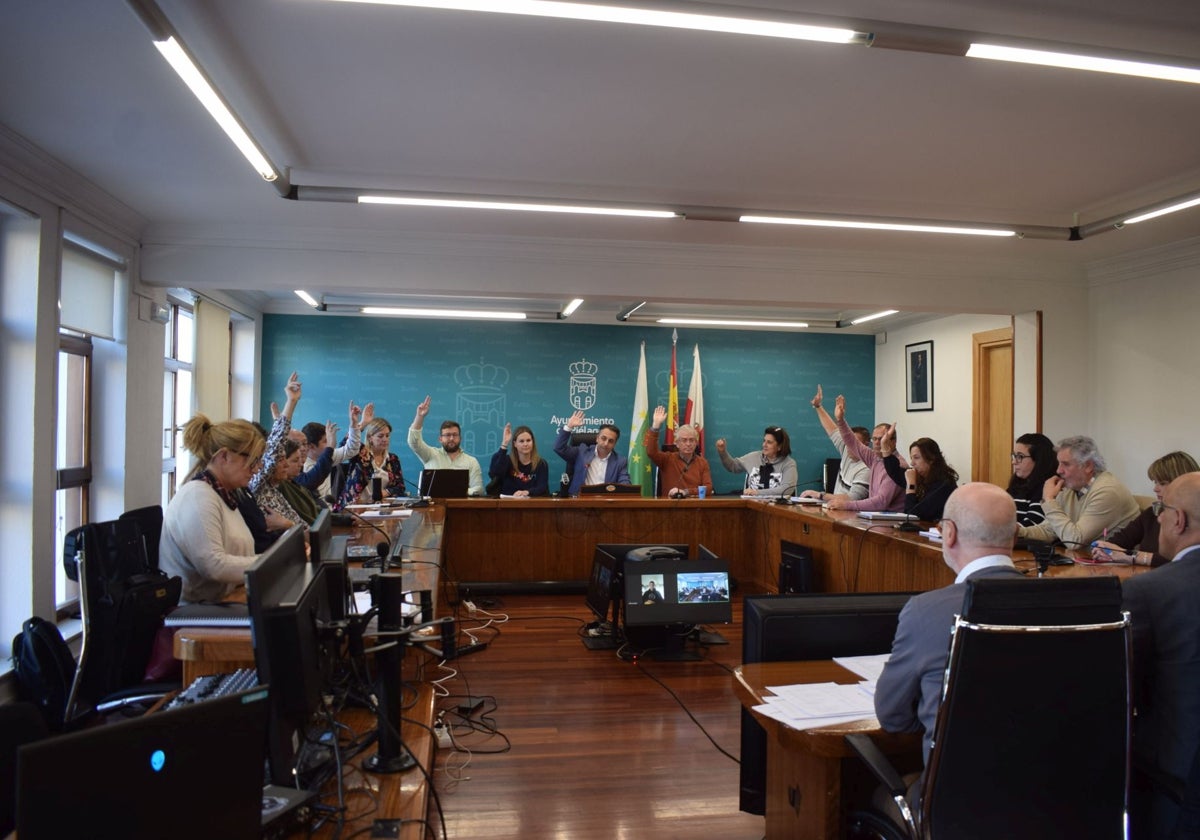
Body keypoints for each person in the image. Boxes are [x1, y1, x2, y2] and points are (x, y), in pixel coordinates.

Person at [874, 483, 1026, 765]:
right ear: (1014, 536)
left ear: (949, 532)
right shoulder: (1065, 607)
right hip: (1059, 798)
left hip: (956, 799)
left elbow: (892, 716)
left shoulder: (926, 611)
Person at [1121, 472, 1200, 839]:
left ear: (1179, 520)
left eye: (1161, 509)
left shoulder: (1149, 591)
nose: (1158, 518)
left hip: (1174, 783)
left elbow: (1118, 686)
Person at [160, 415, 266, 603]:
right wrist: (274, 563)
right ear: (224, 456)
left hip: (224, 599)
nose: (257, 469)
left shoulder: (225, 494)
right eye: (252, 460)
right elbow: (214, 566)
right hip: (194, 614)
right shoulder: (198, 496)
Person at [1017, 435, 1140, 548]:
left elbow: (1075, 541)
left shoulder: (1107, 491)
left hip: (1118, 567)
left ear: (1088, 466)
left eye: (1065, 464)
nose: (1059, 470)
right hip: (1085, 563)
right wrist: (1018, 531)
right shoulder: (1071, 487)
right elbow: (1049, 530)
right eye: (1059, 463)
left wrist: (1049, 500)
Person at [1092, 451, 1199, 568]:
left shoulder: (1195, 521)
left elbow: (1186, 562)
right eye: (1155, 482)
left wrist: (1133, 557)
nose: (1155, 489)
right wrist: (1103, 549)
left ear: (1182, 483)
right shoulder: (1152, 513)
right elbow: (1117, 542)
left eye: (1162, 483)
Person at [823, 395, 905, 513]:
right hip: (875, 518)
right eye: (874, 439)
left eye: (881, 439)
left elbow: (881, 502)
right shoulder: (874, 457)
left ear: (893, 441)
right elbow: (852, 442)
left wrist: (847, 505)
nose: (877, 443)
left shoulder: (898, 465)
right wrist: (840, 420)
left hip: (891, 523)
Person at [800, 385, 870, 502]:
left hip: (850, 516)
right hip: (834, 509)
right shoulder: (847, 449)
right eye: (848, 442)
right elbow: (831, 429)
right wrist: (818, 406)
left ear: (866, 444)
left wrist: (820, 495)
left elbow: (851, 499)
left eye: (855, 443)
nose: (849, 447)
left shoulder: (867, 469)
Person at [879, 424, 958, 522]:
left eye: (916, 458)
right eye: (911, 458)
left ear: (931, 459)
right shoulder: (920, 477)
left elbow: (912, 515)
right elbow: (894, 471)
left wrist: (911, 486)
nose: (912, 463)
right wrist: (884, 446)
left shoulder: (944, 484)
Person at [408, 396, 485, 496]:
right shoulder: (430, 454)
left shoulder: (471, 461)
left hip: (462, 508)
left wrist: (458, 491)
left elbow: (479, 489)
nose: (452, 438)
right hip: (433, 506)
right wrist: (420, 417)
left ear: (460, 438)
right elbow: (413, 442)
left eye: (455, 435)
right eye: (448, 435)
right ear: (440, 439)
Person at [300, 400, 371, 500]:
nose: (330, 443)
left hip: (329, 511)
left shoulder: (328, 456)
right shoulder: (300, 467)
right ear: (311, 446)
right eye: (325, 441)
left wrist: (354, 423)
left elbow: (351, 450)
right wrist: (330, 447)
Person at [554, 409, 632, 496]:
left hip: (605, 503)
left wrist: (626, 487)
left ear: (614, 444)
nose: (606, 443)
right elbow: (559, 448)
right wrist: (569, 426)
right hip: (580, 501)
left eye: (611, 441)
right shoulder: (581, 452)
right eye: (603, 438)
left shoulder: (620, 461)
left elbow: (625, 484)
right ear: (597, 438)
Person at [645, 405, 713, 498]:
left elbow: (708, 488)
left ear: (696, 443)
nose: (688, 444)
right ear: (676, 443)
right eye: (684, 440)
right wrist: (655, 426)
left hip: (695, 508)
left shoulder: (702, 463)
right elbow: (651, 452)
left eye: (691, 440)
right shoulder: (667, 459)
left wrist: (686, 492)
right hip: (670, 508)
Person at [337, 417, 406, 508]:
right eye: (380, 436)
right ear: (370, 437)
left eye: (387, 435)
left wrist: (383, 493)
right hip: (354, 506)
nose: (385, 439)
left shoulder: (393, 459)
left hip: (380, 506)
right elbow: (344, 444)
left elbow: (400, 486)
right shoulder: (360, 453)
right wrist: (362, 424)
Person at [715, 425, 797, 497]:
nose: (764, 445)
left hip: (778, 510)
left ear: (779, 446)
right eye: (764, 441)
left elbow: (787, 490)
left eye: (769, 442)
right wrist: (722, 452)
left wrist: (757, 492)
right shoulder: (753, 457)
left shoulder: (789, 464)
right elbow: (732, 466)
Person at [1006, 432, 1058, 527]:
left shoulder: (1048, 487)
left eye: (1020, 456)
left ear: (1039, 459)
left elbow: (1032, 524)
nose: (1014, 462)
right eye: (1014, 456)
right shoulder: (1017, 484)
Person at [488, 423, 549, 497]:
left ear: (533, 442)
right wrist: (505, 443)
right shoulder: (507, 460)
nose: (525, 444)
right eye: (521, 441)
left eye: (528, 440)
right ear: (515, 444)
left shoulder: (541, 463)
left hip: (532, 505)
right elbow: (495, 473)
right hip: (507, 505)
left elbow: (542, 487)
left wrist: (527, 492)